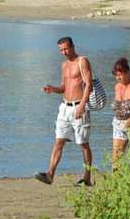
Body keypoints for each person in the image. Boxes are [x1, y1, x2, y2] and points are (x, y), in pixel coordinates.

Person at [35, 36, 98, 186]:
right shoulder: (64, 65)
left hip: (79, 106)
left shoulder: (82, 61)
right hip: (64, 107)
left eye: (66, 49)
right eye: (61, 50)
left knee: (83, 144)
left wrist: (82, 105)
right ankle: (50, 174)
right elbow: (64, 87)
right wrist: (53, 89)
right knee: (59, 140)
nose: (64, 52)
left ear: (72, 47)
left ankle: (87, 177)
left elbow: (88, 85)